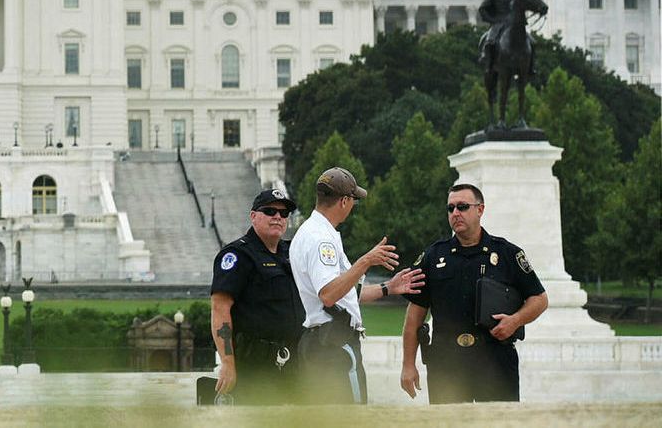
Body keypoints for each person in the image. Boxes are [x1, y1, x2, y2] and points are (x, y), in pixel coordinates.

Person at [399, 183, 548, 403]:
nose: (455, 213)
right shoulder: (433, 256)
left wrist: (515, 321)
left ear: (480, 209)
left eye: (462, 206)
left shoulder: (507, 253)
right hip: (447, 364)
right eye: (450, 208)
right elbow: (414, 316)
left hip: (495, 361)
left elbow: (540, 299)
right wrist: (408, 365)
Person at [290, 167, 423, 404]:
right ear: (343, 201)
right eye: (353, 200)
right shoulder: (321, 239)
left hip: (322, 343)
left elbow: (345, 293)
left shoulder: (311, 232)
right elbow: (329, 295)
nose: (353, 206)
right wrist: (366, 261)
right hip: (333, 345)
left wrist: (388, 288)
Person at [210, 187, 304, 405]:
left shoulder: (292, 252)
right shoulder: (237, 255)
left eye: (284, 213)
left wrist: (384, 288)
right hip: (255, 363)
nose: (278, 217)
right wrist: (227, 362)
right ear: (253, 216)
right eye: (270, 211)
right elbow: (219, 308)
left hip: (294, 361)